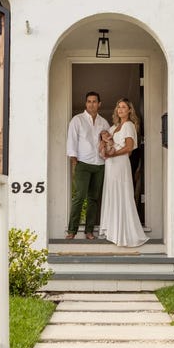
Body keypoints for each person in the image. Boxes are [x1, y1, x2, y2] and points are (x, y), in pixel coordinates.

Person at [99, 98, 148, 248]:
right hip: (111, 165)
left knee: (121, 194)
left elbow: (129, 147)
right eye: (118, 107)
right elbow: (107, 142)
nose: (120, 109)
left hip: (120, 163)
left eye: (123, 107)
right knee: (112, 194)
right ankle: (112, 230)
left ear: (129, 110)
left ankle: (124, 232)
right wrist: (104, 144)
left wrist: (113, 155)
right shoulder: (114, 127)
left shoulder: (128, 125)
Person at [66, 90, 110, 240]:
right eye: (89, 101)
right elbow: (72, 141)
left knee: (93, 199)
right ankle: (72, 230)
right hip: (82, 163)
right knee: (79, 197)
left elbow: (108, 142)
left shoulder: (104, 122)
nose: (91, 104)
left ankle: (89, 231)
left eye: (94, 101)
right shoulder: (77, 120)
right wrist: (73, 160)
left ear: (99, 104)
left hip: (99, 164)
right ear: (86, 103)